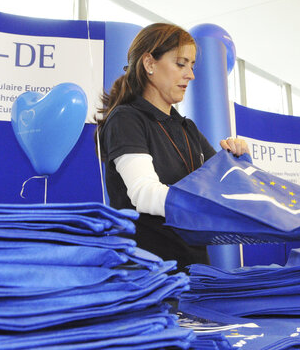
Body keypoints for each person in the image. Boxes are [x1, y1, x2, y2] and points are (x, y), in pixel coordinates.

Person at [95, 23, 248, 270]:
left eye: (192, 65)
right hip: (148, 276)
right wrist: (204, 206)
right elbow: (144, 194)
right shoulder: (126, 119)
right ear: (149, 64)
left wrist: (237, 157)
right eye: (180, 63)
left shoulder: (187, 128)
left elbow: (225, 185)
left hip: (194, 272)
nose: (190, 74)